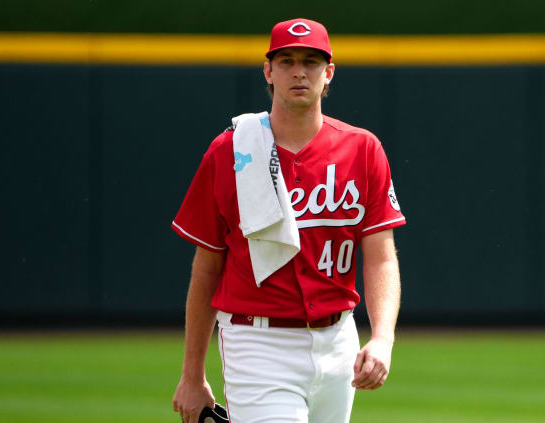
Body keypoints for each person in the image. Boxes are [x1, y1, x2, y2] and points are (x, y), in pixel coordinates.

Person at [171, 18, 406, 423]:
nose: (299, 71)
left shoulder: (362, 149)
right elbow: (207, 266)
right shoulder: (231, 151)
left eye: (312, 61)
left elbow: (381, 256)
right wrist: (192, 374)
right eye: (287, 60)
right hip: (258, 342)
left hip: (339, 342)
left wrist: (382, 338)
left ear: (328, 72)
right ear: (269, 70)